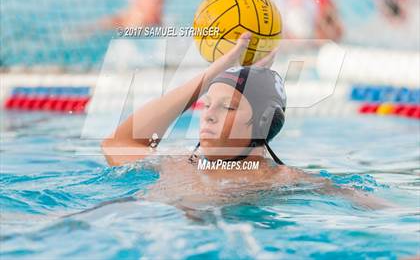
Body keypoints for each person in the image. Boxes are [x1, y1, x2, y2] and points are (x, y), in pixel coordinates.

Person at [101, 33, 391, 210]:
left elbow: (380, 208)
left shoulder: (282, 179)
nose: (209, 113)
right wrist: (212, 75)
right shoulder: (176, 162)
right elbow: (117, 144)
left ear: (263, 121)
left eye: (227, 106)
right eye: (206, 103)